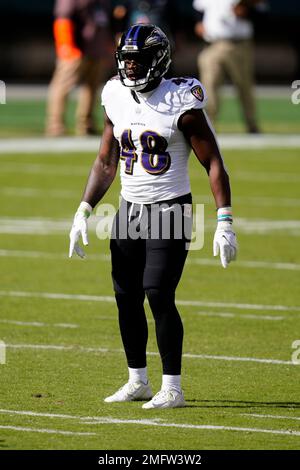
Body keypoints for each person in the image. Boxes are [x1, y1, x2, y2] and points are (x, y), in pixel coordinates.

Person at [69, 24, 237, 409]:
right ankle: (137, 380)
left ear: (158, 60)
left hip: (171, 208)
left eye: (137, 60)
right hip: (129, 208)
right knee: (125, 297)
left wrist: (224, 220)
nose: (129, 67)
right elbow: (106, 160)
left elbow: (212, 162)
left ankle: (172, 387)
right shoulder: (114, 93)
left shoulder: (180, 98)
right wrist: (84, 209)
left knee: (158, 293)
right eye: (125, 60)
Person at [45, 0, 114, 137]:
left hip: (97, 49)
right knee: (62, 86)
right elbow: (63, 19)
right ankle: (55, 125)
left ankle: (86, 124)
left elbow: (105, 22)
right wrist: (66, 45)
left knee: (91, 87)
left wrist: (108, 47)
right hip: (76, 49)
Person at [193, 0, 264, 134]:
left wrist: (246, 11)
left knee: (244, 86)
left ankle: (251, 123)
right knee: (209, 85)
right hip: (212, 44)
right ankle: (209, 124)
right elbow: (198, 9)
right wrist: (199, 23)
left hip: (237, 44)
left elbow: (261, 12)